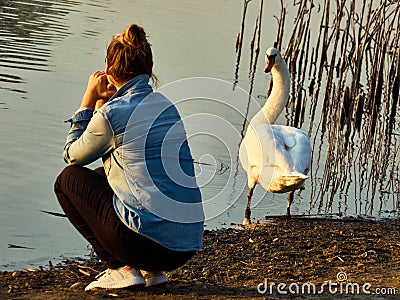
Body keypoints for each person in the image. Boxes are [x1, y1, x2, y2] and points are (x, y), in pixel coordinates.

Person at [54, 24, 204, 291]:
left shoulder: (112, 115)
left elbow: (72, 156)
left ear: (109, 71)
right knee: (107, 176)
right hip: (184, 247)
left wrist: (88, 100)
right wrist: (104, 106)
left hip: (143, 243)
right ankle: (152, 272)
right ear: (149, 69)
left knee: (67, 180)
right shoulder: (167, 106)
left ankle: (121, 268)